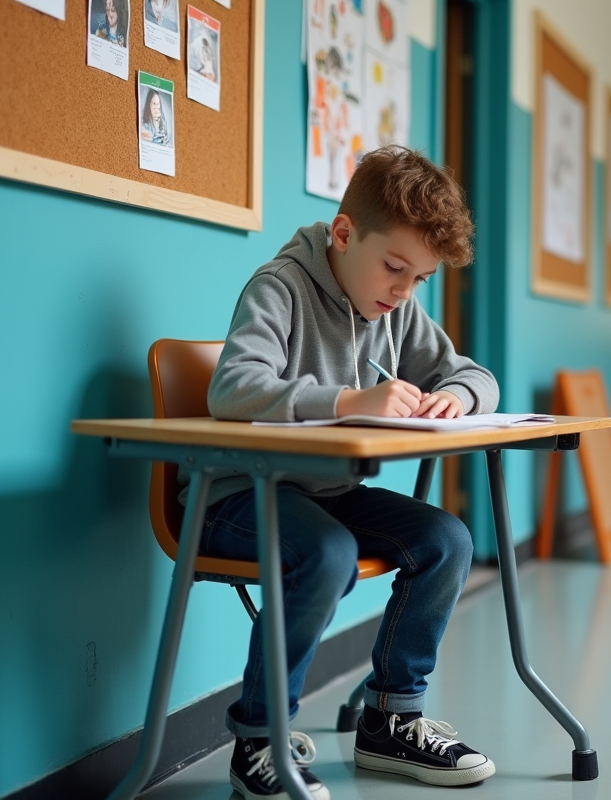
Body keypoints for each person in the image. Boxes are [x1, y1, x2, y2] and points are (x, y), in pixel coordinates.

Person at [192, 146, 498, 799]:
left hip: (324, 491)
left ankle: (390, 719)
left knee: (447, 541)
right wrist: (348, 402)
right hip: (237, 494)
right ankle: (260, 737)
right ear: (342, 233)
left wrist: (459, 397)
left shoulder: (396, 308)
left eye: (419, 279)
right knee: (329, 554)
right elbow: (233, 389)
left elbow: (473, 374)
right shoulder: (279, 287)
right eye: (394, 268)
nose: (403, 291)